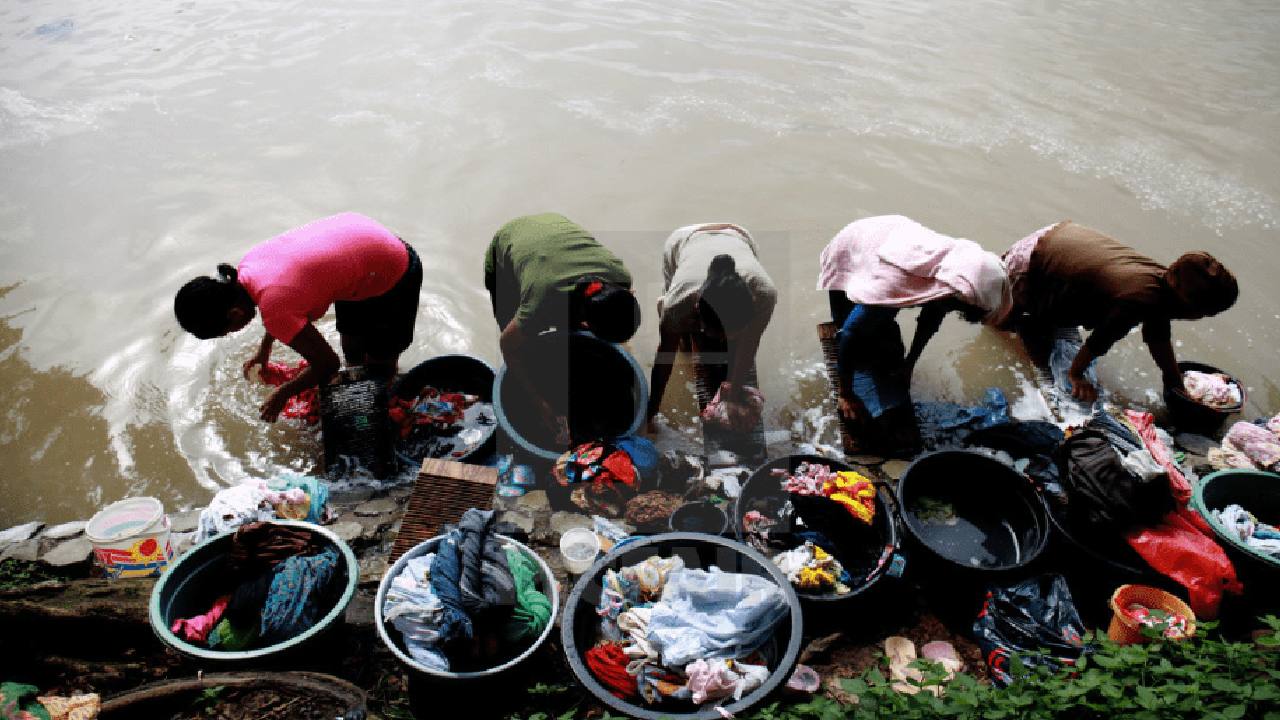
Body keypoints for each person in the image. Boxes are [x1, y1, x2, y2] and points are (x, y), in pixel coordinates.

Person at [174, 212, 422, 422]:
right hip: (362, 255)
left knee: (380, 366)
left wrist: (284, 393)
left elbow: (327, 364)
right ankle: (366, 395)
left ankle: (387, 405)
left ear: (234, 313)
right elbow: (280, 302)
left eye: (228, 330)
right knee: (353, 354)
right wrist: (265, 350)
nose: (233, 332)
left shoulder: (274, 305)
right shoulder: (248, 268)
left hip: (394, 269)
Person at [818, 215, 1011, 453]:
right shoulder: (893, 284)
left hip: (890, 242)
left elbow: (930, 319)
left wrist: (909, 364)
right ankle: (855, 377)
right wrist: (846, 394)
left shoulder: (952, 276)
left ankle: (877, 330)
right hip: (852, 248)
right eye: (955, 307)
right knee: (858, 337)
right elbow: (848, 335)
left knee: (885, 342)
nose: (951, 310)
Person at [999, 220, 1238, 402]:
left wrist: (1172, 376)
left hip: (1057, 238)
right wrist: (1076, 374)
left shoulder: (1163, 285)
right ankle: (1011, 324)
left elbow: (1157, 335)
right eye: (1205, 313)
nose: (1201, 318)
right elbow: (1101, 340)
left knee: (1068, 309)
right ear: (1190, 306)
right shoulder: (1139, 299)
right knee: (1023, 328)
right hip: (1030, 262)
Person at [483, 212, 639, 432]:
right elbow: (507, 345)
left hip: (554, 228)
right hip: (507, 250)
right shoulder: (541, 302)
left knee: (567, 331)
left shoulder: (620, 276)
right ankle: (538, 386)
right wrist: (540, 403)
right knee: (522, 345)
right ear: (587, 321)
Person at [645, 223, 777, 432]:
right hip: (683, 241)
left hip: (738, 236)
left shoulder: (764, 294)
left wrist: (732, 395)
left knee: (732, 348)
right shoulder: (678, 302)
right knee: (681, 341)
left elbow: (750, 343)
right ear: (696, 308)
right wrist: (651, 410)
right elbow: (665, 356)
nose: (723, 340)